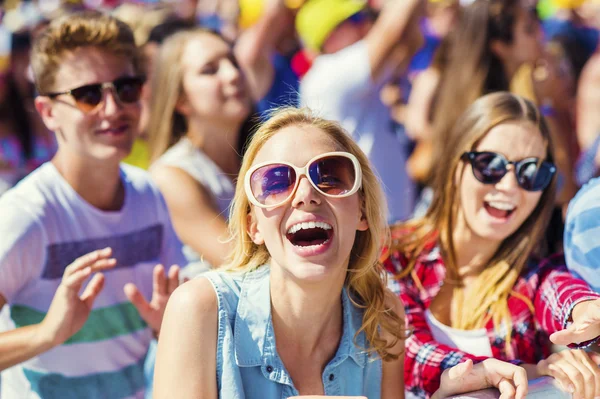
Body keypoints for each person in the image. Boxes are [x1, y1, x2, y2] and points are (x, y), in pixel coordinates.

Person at [154, 107, 534, 399]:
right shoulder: (200, 310)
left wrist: (452, 387)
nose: (305, 194)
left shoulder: (383, 317)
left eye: (331, 175)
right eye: (274, 181)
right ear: (253, 225)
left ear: (364, 211)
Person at [0, 11, 185, 398]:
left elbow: (166, 325)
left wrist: (167, 325)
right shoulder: (26, 214)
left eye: (126, 88)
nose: (113, 108)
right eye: (88, 96)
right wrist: (48, 334)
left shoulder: (149, 194)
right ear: (49, 113)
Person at [384, 92, 600, 399]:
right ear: (456, 165)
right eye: (491, 165)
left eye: (530, 172)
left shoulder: (533, 277)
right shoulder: (391, 254)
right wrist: (527, 371)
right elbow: (410, 355)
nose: (509, 186)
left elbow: (558, 291)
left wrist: (584, 308)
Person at [298, 0, 425, 223]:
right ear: (329, 36)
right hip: (372, 223)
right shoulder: (327, 74)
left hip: (388, 219)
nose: (366, 23)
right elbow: (392, 31)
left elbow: (410, 41)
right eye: (356, 19)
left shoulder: (351, 77)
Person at [147, 28, 254, 272]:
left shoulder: (264, 153)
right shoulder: (171, 175)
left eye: (233, 61)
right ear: (181, 100)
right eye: (210, 70)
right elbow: (241, 263)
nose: (233, 74)